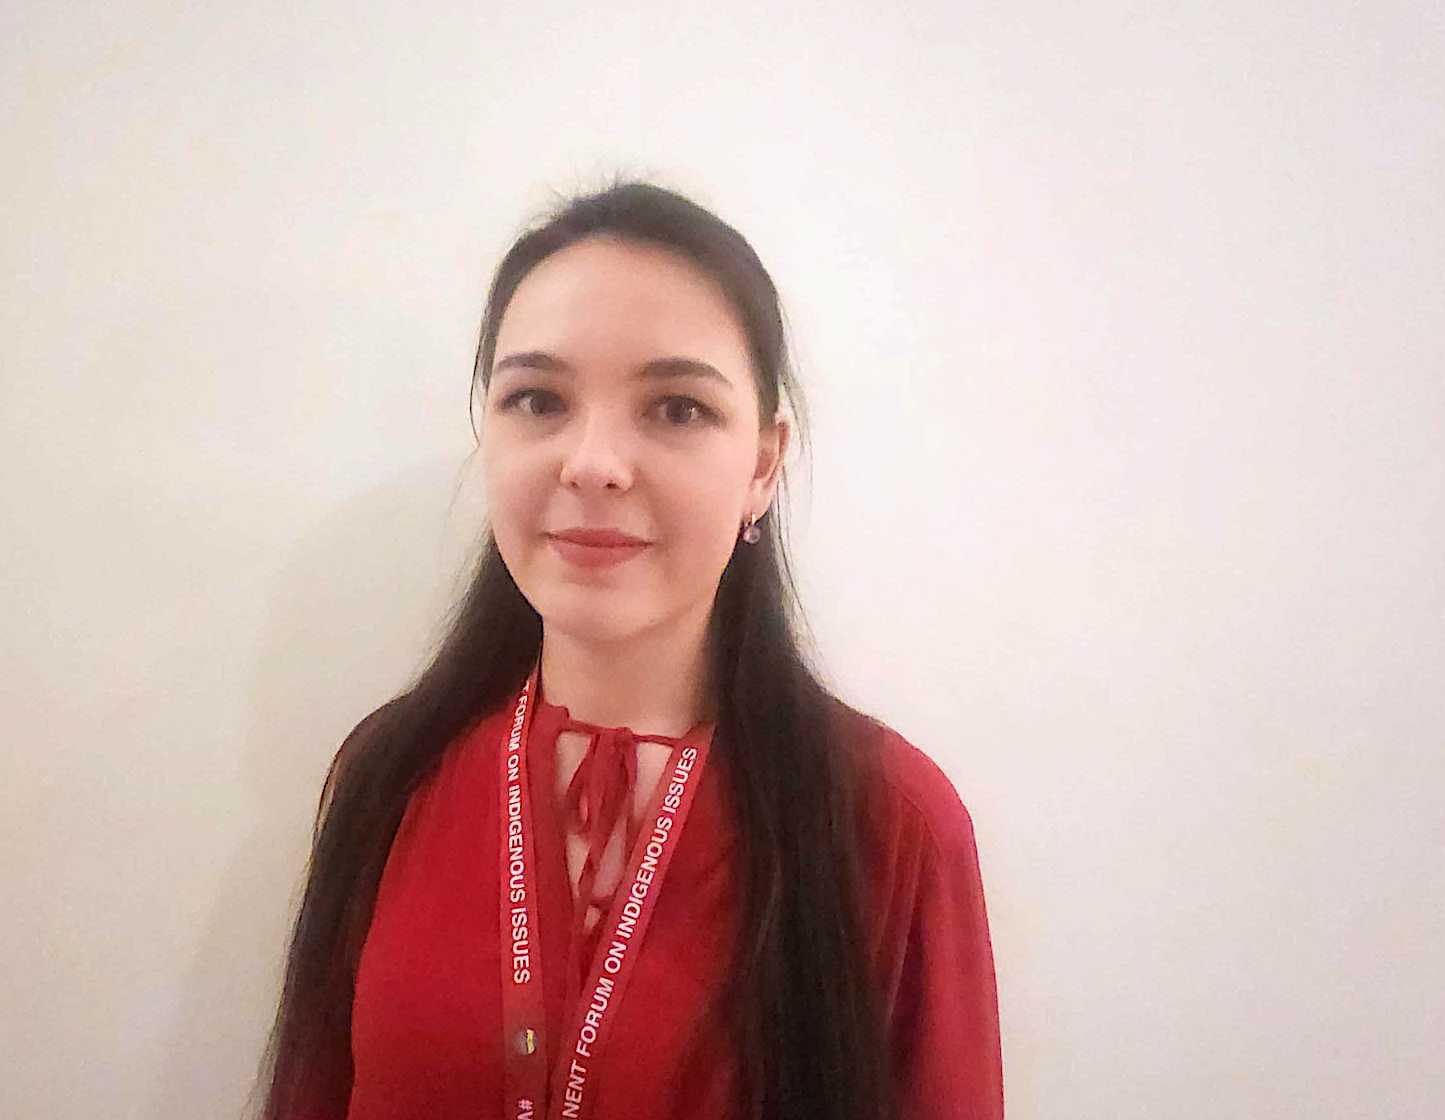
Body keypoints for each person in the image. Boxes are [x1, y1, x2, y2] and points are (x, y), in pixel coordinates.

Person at [252, 179, 1003, 1120]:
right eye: (538, 399)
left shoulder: (890, 822)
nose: (593, 462)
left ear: (762, 465)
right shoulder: (390, 773)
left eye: (677, 409)